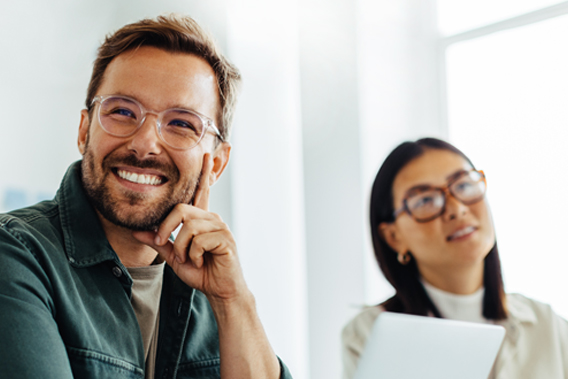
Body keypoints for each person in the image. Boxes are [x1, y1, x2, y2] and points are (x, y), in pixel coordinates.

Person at [0, 15, 292, 379]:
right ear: (84, 130)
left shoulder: (215, 292)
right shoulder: (16, 255)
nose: (144, 144)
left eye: (182, 124)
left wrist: (233, 299)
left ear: (215, 164)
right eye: (122, 112)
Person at [342, 138, 568, 379]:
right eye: (426, 200)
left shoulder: (547, 324)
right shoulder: (368, 334)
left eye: (463, 185)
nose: (457, 208)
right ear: (393, 237)